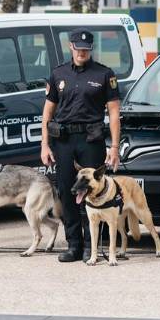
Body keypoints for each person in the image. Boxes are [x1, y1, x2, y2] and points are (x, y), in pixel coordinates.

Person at [41, 29, 121, 263]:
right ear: (71, 47)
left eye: (86, 49)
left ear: (91, 49)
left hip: (91, 140)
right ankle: (73, 245)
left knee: (95, 192)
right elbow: (48, 111)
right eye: (78, 48)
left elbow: (114, 112)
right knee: (67, 192)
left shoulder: (104, 74)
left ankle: (92, 246)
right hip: (64, 141)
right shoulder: (58, 73)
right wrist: (45, 144)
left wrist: (114, 147)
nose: (82, 52)